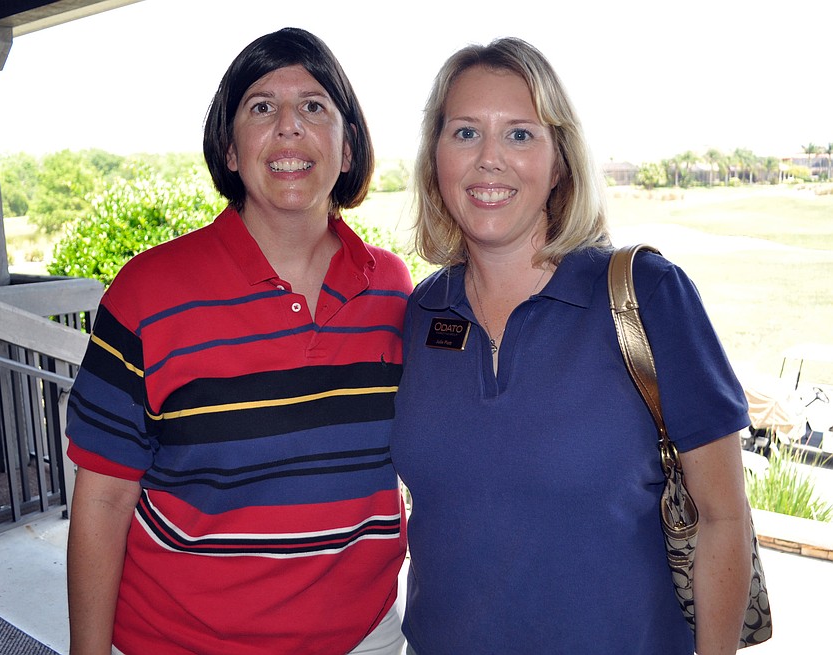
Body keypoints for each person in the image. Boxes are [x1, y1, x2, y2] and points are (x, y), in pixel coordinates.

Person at [390, 37, 753, 655]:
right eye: (465, 133)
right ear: (434, 161)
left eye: (521, 134)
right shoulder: (421, 313)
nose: (490, 160)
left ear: (560, 162)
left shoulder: (647, 295)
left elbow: (724, 517)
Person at [65, 27, 411, 655]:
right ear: (229, 150)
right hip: (178, 641)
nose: (288, 126)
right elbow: (105, 498)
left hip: (365, 636)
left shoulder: (391, 288)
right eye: (261, 107)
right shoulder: (146, 291)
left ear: (348, 143)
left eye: (314, 105)